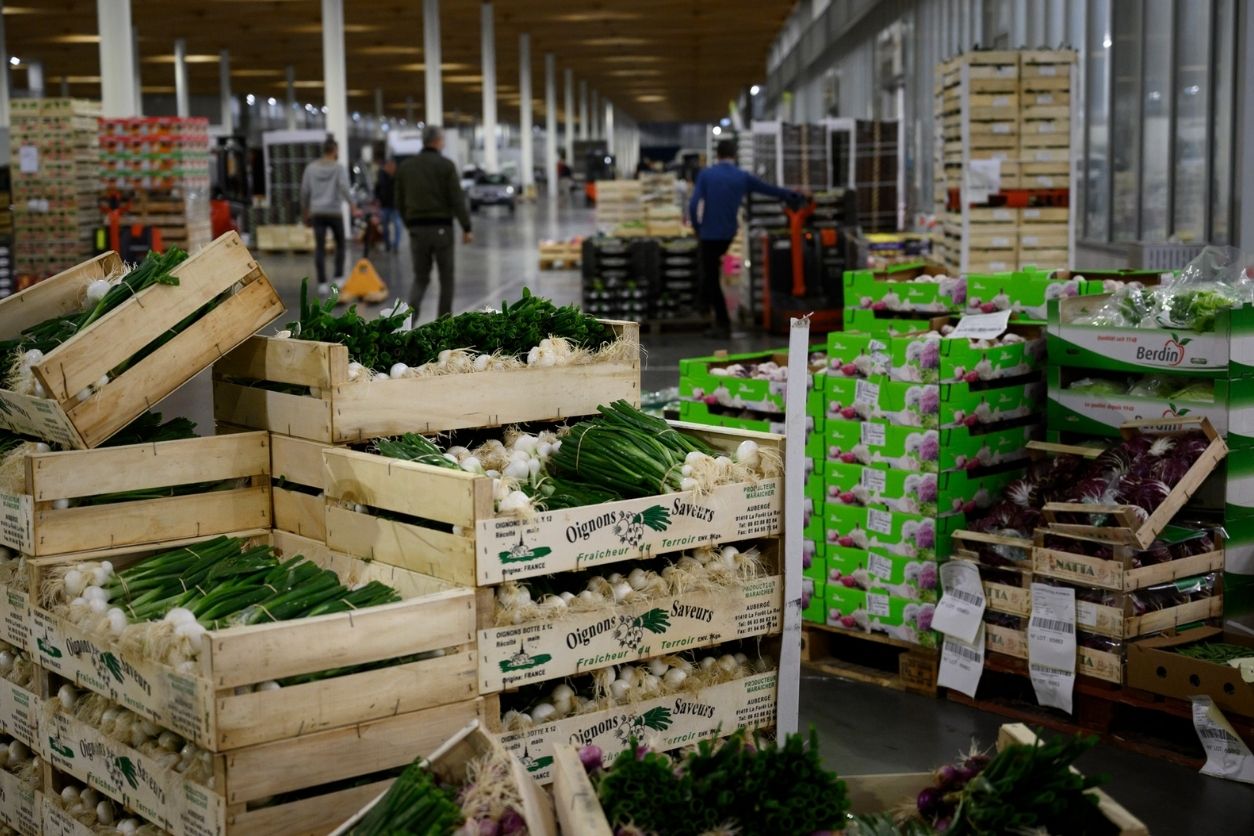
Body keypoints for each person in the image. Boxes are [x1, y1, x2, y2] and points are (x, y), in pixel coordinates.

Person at [688, 139, 805, 339]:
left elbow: (693, 204)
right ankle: (703, 307)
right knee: (708, 272)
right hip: (729, 232)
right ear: (734, 155)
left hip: (709, 233)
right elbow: (768, 189)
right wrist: (793, 195)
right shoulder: (741, 176)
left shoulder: (706, 174)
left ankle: (722, 323)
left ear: (717, 155)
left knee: (710, 276)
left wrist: (697, 228)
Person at [395, 125, 473, 319]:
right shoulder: (446, 166)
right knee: (446, 279)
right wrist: (466, 227)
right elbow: (456, 198)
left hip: (416, 230)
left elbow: (398, 200)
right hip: (442, 229)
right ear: (438, 141)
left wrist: (410, 224)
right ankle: (443, 324)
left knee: (420, 278)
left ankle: (409, 323)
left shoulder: (406, 167)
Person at [300, 135, 356, 296]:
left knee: (320, 248)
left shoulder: (311, 168)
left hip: (317, 212)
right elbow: (345, 187)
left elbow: (304, 191)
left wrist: (305, 212)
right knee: (340, 244)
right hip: (334, 212)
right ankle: (338, 278)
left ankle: (322, 283)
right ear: (335, 150)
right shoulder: (338, 168)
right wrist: (352, 205)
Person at [374, 158, 400, 252]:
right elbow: (377, 188)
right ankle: (387, 244)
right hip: (385, 205)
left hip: (395, 205)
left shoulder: (397, 176)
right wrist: (377, 199)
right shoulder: (382, 175)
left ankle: (396, 245)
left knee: (397, 225)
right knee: (385, 226)